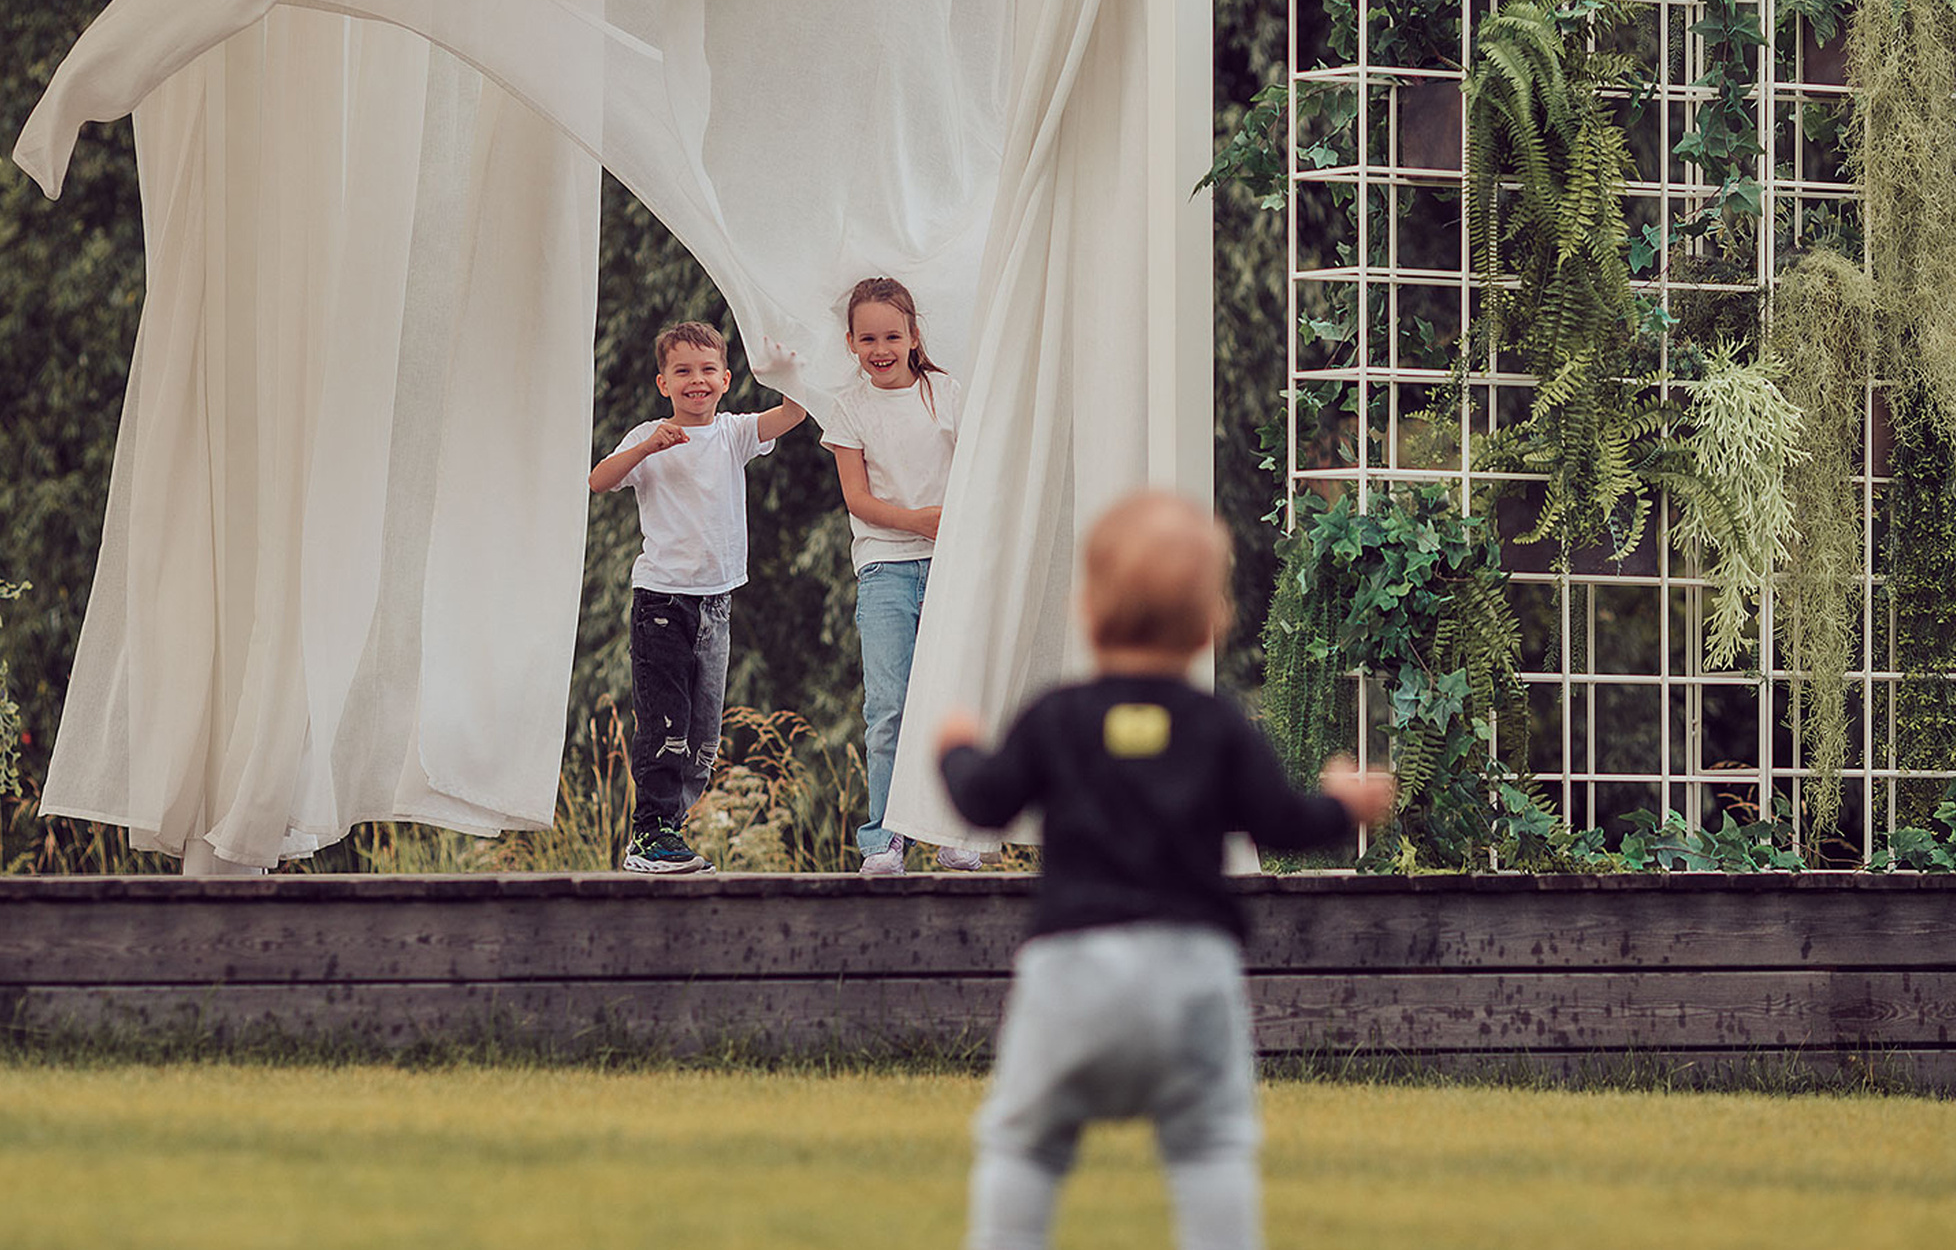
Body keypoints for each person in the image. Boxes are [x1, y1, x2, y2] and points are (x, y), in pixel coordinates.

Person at [934, 489, 1397, 1250]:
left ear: (1086, 609)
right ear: (1212, 619)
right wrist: (1343, 804)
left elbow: (984, 802)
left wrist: (955, 746)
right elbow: (1285, 823)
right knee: (1211, 1146)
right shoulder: (1219, 727)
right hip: (1193, 968)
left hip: (1070, 969)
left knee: (1025, 1144)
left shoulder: (1057, 716)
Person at [590, 322, 806, 873]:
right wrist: (646, 447)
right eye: (682, 371)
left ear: (727, 379)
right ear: (663, 382)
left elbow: (793, 414)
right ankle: (650, 834)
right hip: (663, 603)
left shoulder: (733, 433)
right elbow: (598, 480)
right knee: (666, 725)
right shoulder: (648, 435)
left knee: (703, 737)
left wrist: (786, 373)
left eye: (707, 370)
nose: (696, 381)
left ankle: (668, 833)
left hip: (717, 604)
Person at [822, 276, 981, 875]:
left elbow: (975, 470)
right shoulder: (850, 408)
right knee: (888, 705)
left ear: (915, 336)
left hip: (949, 565)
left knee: (951, 700)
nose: (880, 347)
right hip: (886, 567)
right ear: (851, 344)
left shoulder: (946, 393)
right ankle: (885, 838)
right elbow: (858, 500)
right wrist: (917, 521)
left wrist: (948, 527)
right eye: (868, 338)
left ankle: (954, 828)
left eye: (892, 334)